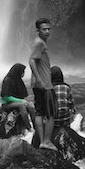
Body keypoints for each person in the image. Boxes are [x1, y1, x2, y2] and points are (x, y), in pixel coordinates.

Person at [29, 17, 57, 150]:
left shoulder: (40, 42)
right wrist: (40, 79)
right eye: (44, 29)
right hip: (44, 84)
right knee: (51, 113)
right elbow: (31, 61)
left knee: (39, 112)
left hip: (38, 84)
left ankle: (41, 141)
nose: (47, 32)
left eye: (48, 29)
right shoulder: (39, 43)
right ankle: (46, 141)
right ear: (37, 30)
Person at [0, 62, 35, 132]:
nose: (23, 74)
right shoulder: (7, 80)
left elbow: (23, 96)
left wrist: (25, 102)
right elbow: (6, 97)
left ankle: (36, 126)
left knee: (31, 106)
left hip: (17, 102)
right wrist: (21, 101)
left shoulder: (18, 80)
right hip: (7, 104)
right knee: (22, 106)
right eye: (22, 72)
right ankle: (29, 128)